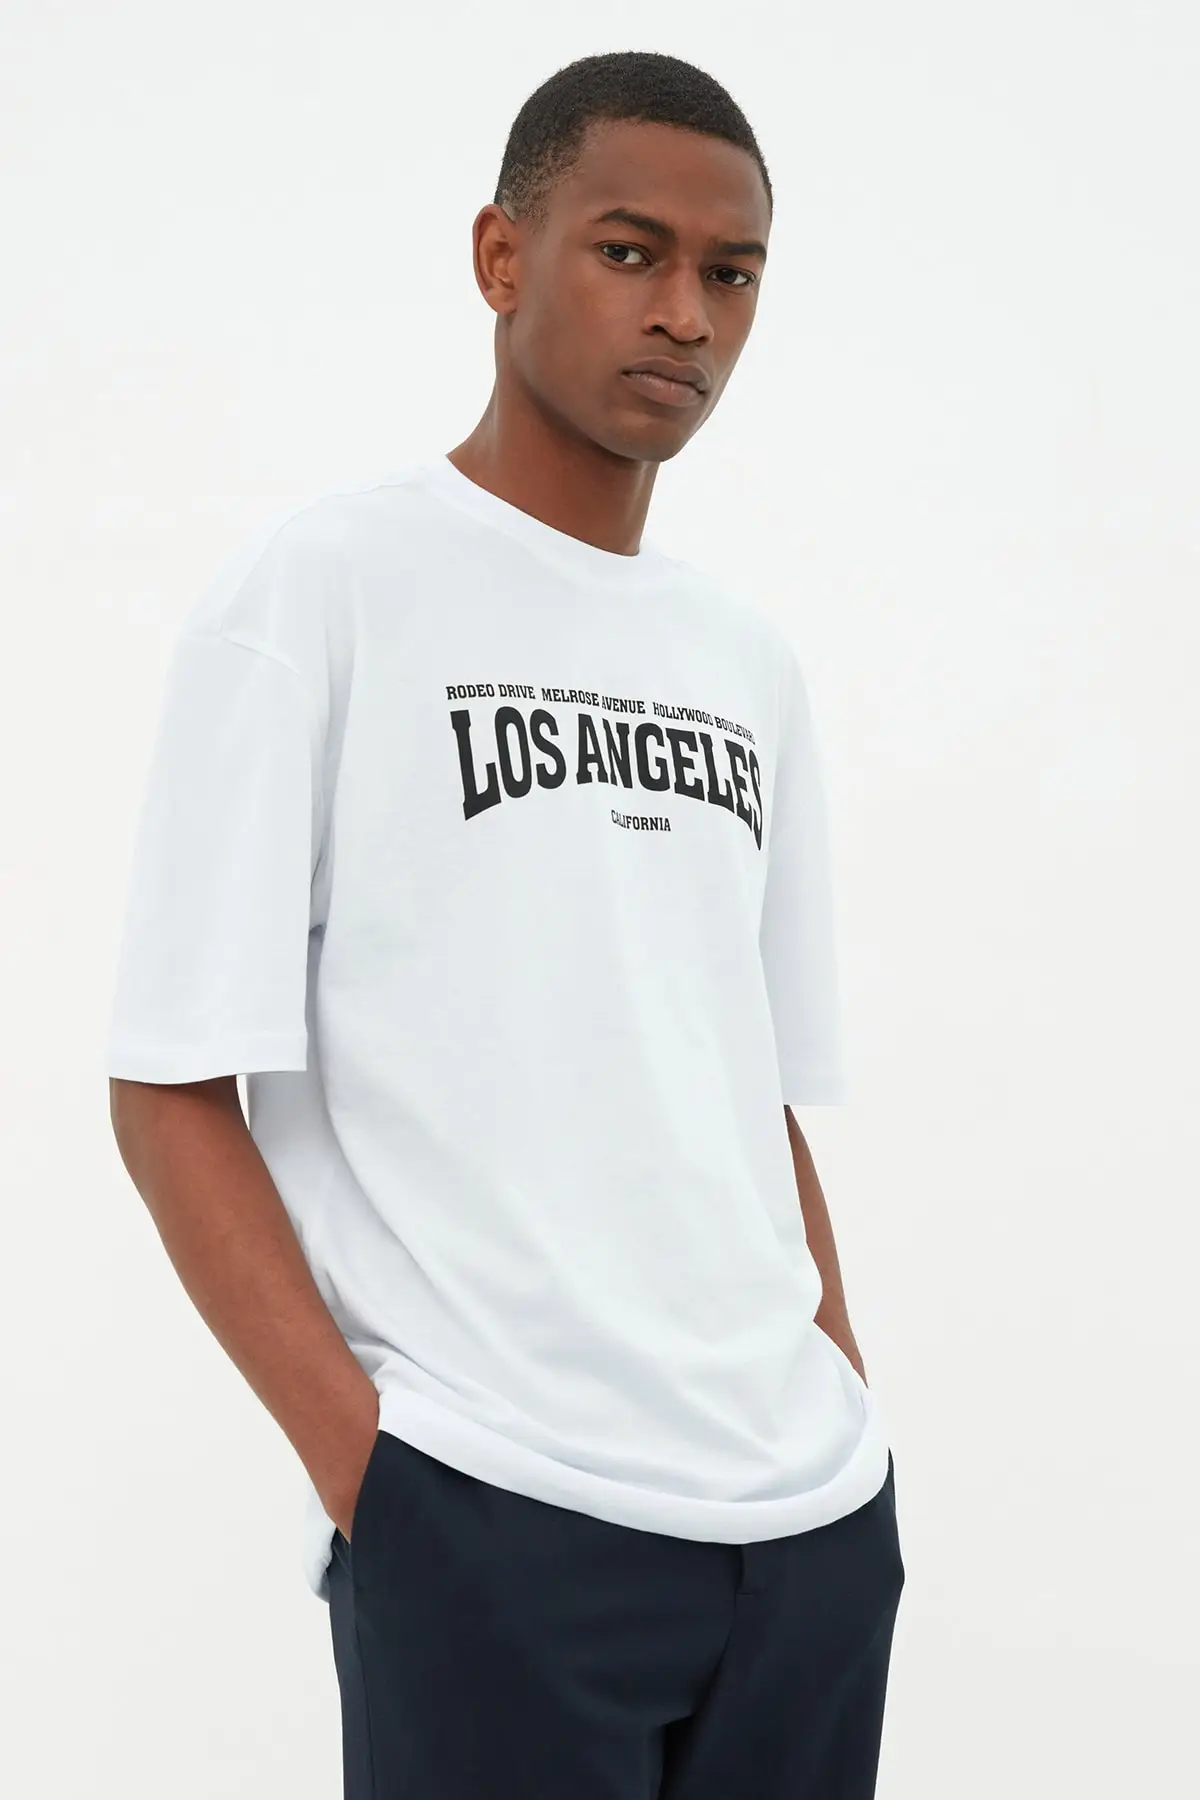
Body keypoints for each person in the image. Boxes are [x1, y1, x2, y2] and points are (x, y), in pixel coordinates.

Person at [105, 46, 904, 1800]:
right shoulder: (325, 593)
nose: (685, 313)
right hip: (495, 1519)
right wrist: (379, 1482)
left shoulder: (744, 660)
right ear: (500, 256)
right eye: (630, 252)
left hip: (805, 1533)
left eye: (732, 273)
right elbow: (169, 1086)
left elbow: (751, 1084)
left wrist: (845, 1416)